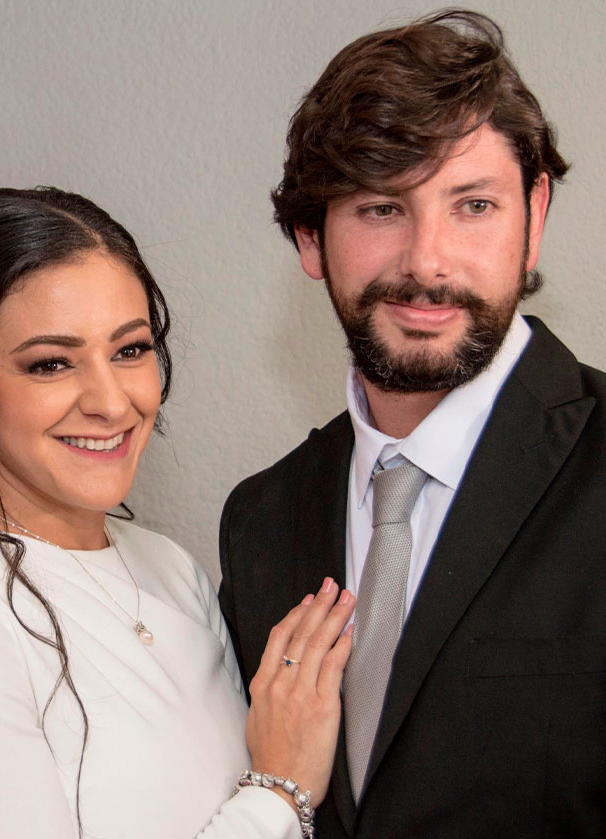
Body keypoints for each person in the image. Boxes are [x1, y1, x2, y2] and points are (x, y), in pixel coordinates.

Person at [219, 9, 606, 839]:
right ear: (309, 236)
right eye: (381, 209)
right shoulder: (259, 521)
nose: (427, 261)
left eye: (474, 205)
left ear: (534, 216)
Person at [0, 187, 355, 839]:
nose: (111, 402)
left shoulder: (170, 567)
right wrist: (278, 790)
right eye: (51, 363)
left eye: (129, 350)